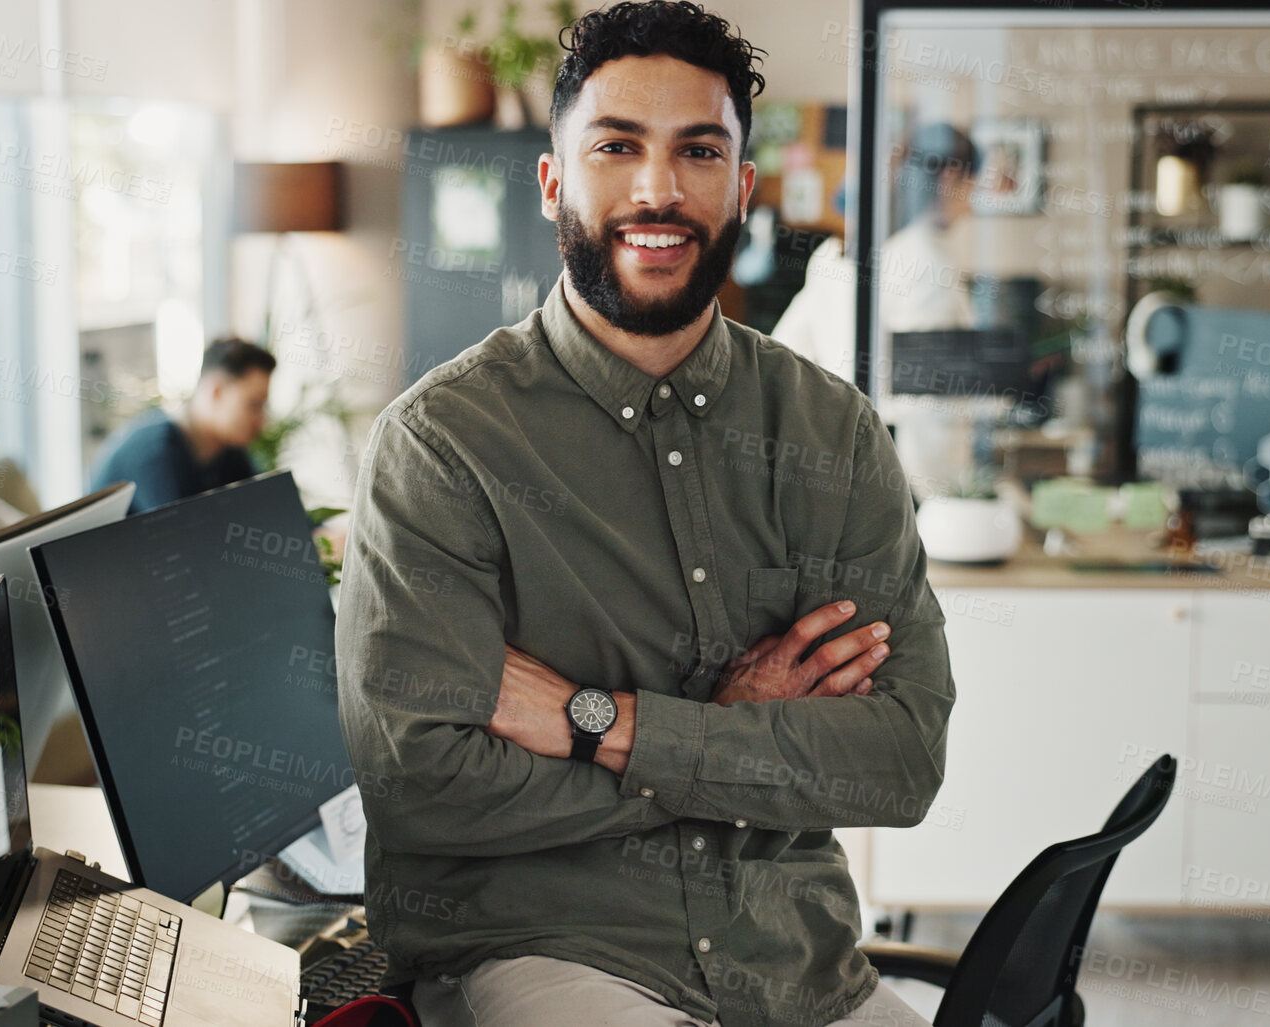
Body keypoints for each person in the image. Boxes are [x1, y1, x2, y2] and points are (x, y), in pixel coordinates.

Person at [335, 4, 953, 1026]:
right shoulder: (443, 446)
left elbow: (900, 761)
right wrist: (733, 735)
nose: (659, 188)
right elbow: (423, 782)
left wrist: (597, 722)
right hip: (548, 956)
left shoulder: (831, 432)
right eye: (616, 147)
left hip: (800, 966)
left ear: (742, 188)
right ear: (553, 183)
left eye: (699, 151)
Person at [773, 123, 982, 387]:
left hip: (844, 419)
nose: (971, 204)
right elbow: (929, 393)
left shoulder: (832, 253)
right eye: (973, 185)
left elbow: (785, 349)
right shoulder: (924, 259)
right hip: (889, 425)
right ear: (950, 177)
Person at [87, 336, 273, 514]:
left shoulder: (228, 452)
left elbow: (260, 513)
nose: (262, 419)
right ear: (216, 391)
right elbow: (187, 538)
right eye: (254, 405)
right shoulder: (154, 452)